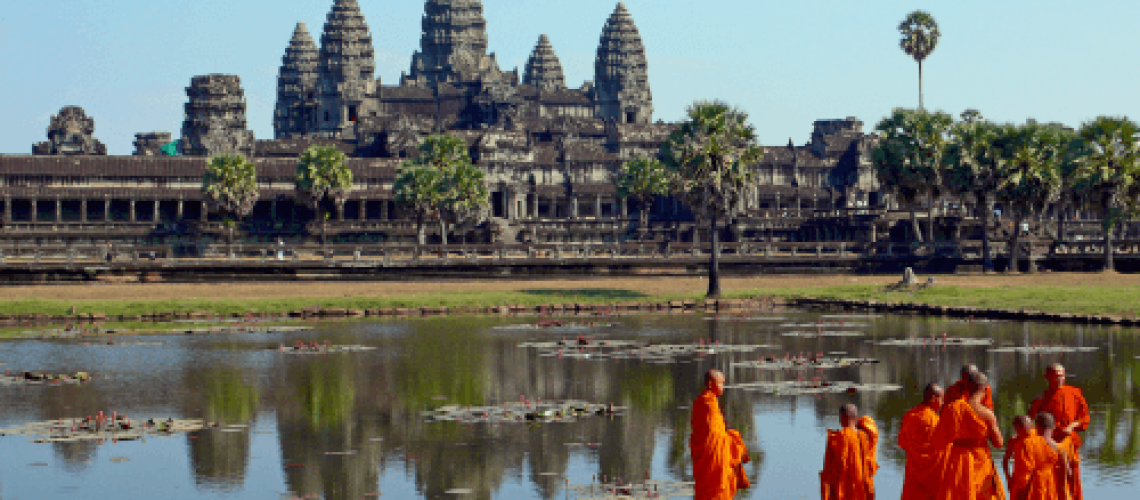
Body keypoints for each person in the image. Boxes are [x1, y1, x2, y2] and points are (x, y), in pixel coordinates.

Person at [930, 371, 1005, 500]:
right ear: (985, 388)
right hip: (980, 458)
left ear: (966, 387)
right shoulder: (987, 414)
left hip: (958, 458)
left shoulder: (953, 408)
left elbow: (938, 441)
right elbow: (999, 444)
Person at [1027, 363, 1088, 500]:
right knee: (1051, 481)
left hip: (1069, 443)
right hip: (1048, 447)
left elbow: (1085, 418)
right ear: (1047, 377)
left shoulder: (1074, 393)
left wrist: (1072, 426)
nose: (1060, 379)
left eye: (1062, 376)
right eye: (1056, 376)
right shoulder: (1040, 399)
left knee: (1072, 479)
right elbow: (1030, 423)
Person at [690, 369, 750, 499]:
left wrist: (730, 438)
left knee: (720, 485)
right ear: (710, 384)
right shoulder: (705, 402)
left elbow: (717, 430)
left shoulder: (712, 401)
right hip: (709, 455)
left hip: (716, 454)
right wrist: (731, 440)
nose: (723, 386)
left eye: (724, 383)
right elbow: (707, 433)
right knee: (712, 488)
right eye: (721, 383)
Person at [820, 404, 879, 500]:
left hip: (843, 491)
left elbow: (828, 470)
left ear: (841, 417)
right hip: (861, 490)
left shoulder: (836, 438)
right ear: (856, 418)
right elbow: (870, 466)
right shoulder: (865, 436)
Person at [1008, 412, 1071, 500]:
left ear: (1036, 427)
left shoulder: (1027, 443)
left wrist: (1018, 492)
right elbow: (1068, 473)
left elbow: (1022, 477)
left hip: (1033, 489)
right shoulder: (1060, 448)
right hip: (1052, 489)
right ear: (1054, 427)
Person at [900, 383, 945, 500]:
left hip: (913, 474)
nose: (942, 403)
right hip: (933, 477)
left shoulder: (909, 416)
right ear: (934, 398)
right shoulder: (936, 422)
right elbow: (944, 448)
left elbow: (902, 443)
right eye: (941, 399)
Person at [1003, 416, 1035, 499]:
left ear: (1032, 426)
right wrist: (1008, 478)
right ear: (1017, 429)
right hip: (1018, 481)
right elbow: (1005, 460)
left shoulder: (1038, 438)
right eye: (1019, 430)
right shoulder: (1014, 441)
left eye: (1029, 428)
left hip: (1034, 481)